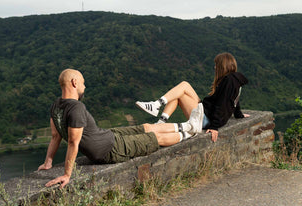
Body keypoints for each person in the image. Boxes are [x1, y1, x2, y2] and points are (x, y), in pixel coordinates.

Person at [38, 69, 203, 188]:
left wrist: (48, 162)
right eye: (83, 83)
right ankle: (191, 131)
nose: (84, 87)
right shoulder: (76, 108)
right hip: (110, 150)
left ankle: (188, 125)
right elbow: (73, 142)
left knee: (147, 127)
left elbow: (55, 136)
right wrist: (67, 174)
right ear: (74, 83)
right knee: (154, 139)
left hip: (107, 136)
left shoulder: (56, 106)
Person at [136, 52, 250, 143]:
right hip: (206, 113)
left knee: (184, 86)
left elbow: (222, 103)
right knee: (180, 91)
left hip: (205, 119)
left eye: (216, 65)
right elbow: (234, 100)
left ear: (222, 66)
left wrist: (214, 126)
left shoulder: (229, 81)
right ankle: (160, 120)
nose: (215, 67)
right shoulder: (235, 80)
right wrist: (238, 114)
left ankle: (156, 106)